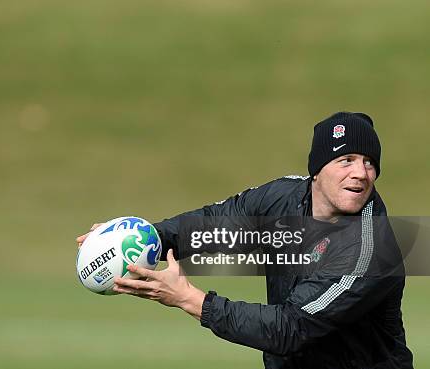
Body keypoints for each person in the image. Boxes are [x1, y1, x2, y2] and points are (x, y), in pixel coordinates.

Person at [76, 112, 414, 369]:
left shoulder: (370, 250)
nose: (361, 172)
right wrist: (140, 236)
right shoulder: (283, 198)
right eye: (347, 160)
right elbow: (213, 223)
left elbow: (290, 329)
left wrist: (191, 299)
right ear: (317, 169)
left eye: (370, 163)